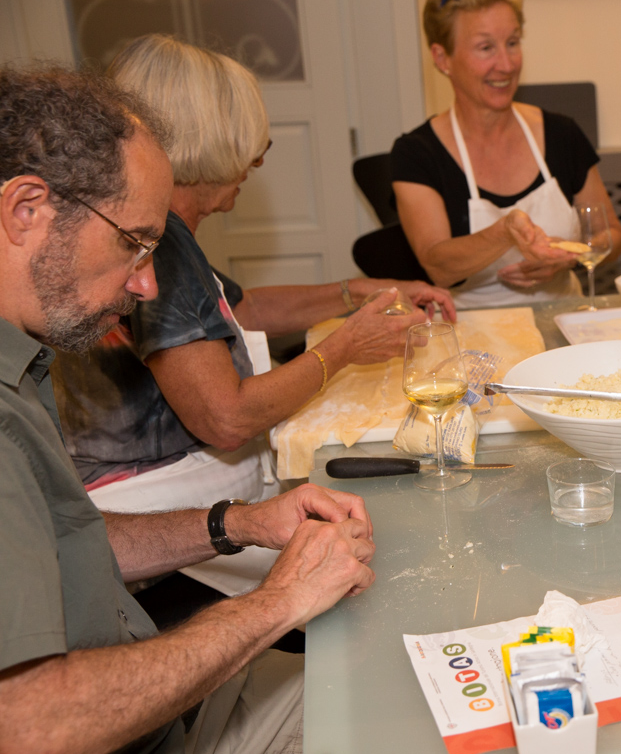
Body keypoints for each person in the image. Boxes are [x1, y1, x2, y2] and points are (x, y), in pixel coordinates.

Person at [0, 63, 375, 754]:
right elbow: (30, 732)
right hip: (141, 750)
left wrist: (237, 523)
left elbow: (69, 541)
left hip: (158, 712)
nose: (147, 283)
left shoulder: (24, 361)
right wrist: (278, 602)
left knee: (387, 670)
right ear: (26, 210)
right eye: (132, 243)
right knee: (400, 716)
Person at [50, 35, 454, 594]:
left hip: (181, 496)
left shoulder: (167, 233)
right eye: (247, 147)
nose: (255, 162)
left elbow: (238, 309)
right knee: (390, 557)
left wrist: (359, 292)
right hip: (158, 526)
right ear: (205, 141)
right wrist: (345, 347)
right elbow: (226, 418)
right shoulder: (160, 245)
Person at [390, 0, 621, 308]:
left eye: (512, 42)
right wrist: (503, 233)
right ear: (442, 59)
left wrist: (569, 257)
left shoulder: (562, 134)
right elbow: (438, 266)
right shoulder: (417, 153)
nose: (507, 64)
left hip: (563, 319)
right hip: (467, 329)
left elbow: (611, 236)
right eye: (486, 48)